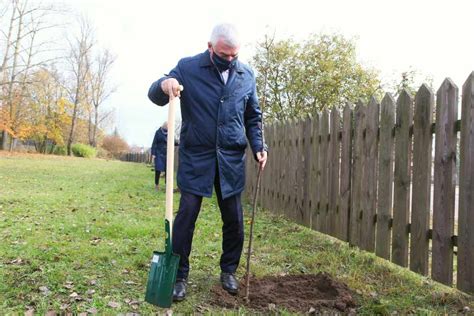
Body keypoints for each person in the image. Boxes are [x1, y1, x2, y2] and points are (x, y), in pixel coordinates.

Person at [148, 23, 267, 301]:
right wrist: (165, 84)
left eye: (234, 55)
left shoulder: (246, 75)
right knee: (187, 215)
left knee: (234, 219)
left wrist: (259, 145)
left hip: (230, 158)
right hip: (196, 156)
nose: (229, 60)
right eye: (224, 54)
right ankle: (178, 275)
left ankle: (228, 271)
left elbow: (253, 116)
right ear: (210, 46)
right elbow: (155, 93)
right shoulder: (188, 68)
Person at [151, 121, 168, 191]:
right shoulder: (158, 132)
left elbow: (174, 141)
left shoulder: (170, 133)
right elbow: (154, 143)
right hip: (159, 154)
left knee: (168, 170)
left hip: (167, 154)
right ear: (164, 126)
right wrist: (153, 154)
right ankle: (156, 185)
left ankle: (167, 185)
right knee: (158, 170)